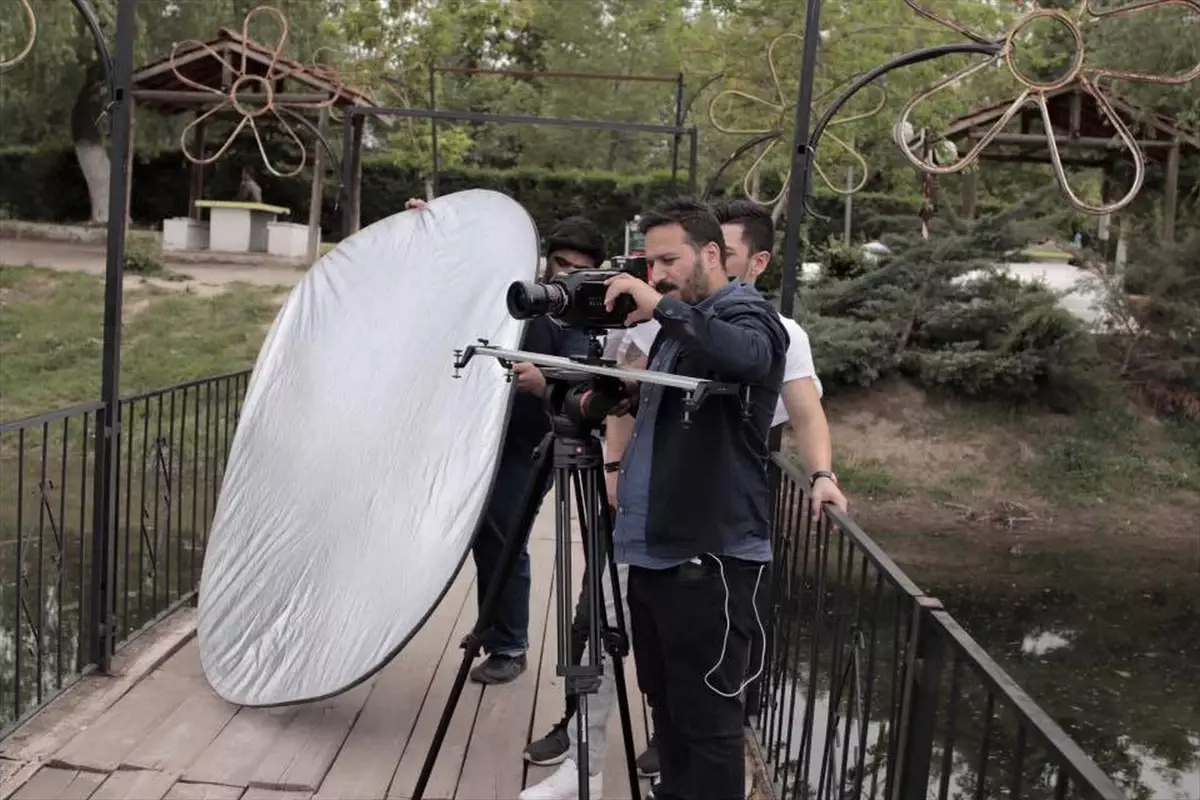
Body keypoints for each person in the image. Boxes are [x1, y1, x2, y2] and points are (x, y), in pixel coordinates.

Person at [613, 197, 787, 800]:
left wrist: (657, 303)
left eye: (668, 260)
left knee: (709, 723)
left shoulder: (747, 314)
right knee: (668, 709)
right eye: (650, 261)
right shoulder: (681, 321)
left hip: (708, 559)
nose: (656, 274)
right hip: (659, 550)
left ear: (711, 254)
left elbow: (748, 358)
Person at [405, 197, 607, 685]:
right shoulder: (519, 290)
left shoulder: (585, 316)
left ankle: (509, 645)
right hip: (475, 437)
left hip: (529, 447)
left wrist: (545, 384)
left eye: (579, 269)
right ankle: (496, 632)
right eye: (560, 264)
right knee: (483, 538)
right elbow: (466, 272)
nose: (565, 275)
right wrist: (435, 227)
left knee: (504, 537)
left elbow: (585, 389)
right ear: (546, 260)